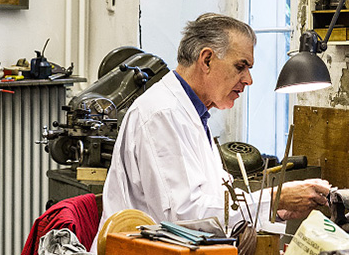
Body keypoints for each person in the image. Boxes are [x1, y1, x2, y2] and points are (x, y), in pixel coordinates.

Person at [95, 13, 331, 238]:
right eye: (241, 66)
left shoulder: (193, 113)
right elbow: (183, 217)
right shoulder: (162, 113)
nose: (249, 80)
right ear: (206, 60)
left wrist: (275, 210)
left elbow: (217, 201)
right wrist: (275, 198)